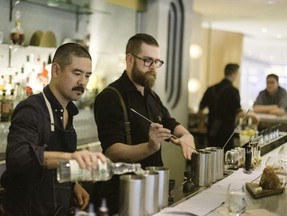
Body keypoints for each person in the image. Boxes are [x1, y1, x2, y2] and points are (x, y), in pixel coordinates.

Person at [93, 33, 196, 214]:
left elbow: (170, 123)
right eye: (147, 61)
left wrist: (186, 135)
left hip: (152, 190)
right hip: (122, 195)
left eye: (157, 62)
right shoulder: (110, 97)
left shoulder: (151, 95)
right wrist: (150, 146)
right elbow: (112, 151)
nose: (153, 67)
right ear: (130, 59)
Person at [0, 43, 106, 216]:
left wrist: (72, 184)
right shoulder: (32, 109)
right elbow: (18, 156)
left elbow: (55, 165)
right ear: (56, 70)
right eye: (77, 73)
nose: (83, 82)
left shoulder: (69, 112)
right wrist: (71, 157)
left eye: (87, 75)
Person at [197, 63, 258, 152]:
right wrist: (253, 116)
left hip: (211, 130)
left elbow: (200, 108)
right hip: (226, 132)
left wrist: (201, 124)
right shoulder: (233, 91)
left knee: (211, 154)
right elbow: (239, 112)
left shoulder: (211, 89)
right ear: (234, 74)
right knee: (225, 156)